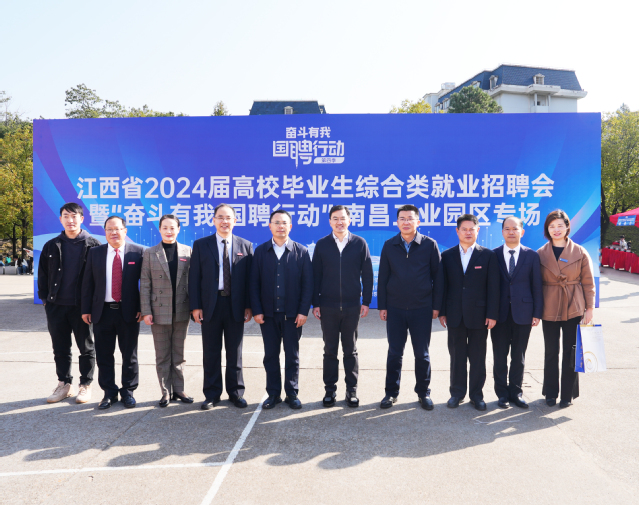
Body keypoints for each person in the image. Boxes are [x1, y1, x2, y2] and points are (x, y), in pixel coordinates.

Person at [189, 204, 253, 410]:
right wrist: (195, 306)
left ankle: (236, 393)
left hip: (236, 305)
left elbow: (250, 280)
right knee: (211, 352)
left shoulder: (245, 245)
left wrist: (248, 306)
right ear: (214, 220)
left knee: (235, 352)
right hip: (210, 305)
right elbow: (194, 278)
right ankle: (212, 394)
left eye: (228, 218)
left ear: (235, 221)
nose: (224, 221)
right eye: (220, 217)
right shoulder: (201, 245)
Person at [377, 204, 441, 410]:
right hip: (395, 308)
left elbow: (438, 278)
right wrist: (383, 306)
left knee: (422, 354)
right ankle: (390, 393)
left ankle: (423, 393)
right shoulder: (389, 245)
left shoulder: (429, 245)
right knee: (395, 353)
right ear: (397, 222)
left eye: (410, 218)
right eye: (402, 219)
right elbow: (383, 277)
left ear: (418, 222)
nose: (406, 222)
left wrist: (436, 306)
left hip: (421, 308)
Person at [435, 214, 500, 411]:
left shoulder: (488, 255)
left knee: (478, 357)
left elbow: (493, 288)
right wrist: (442, 312)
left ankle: (476, 395)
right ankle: (456, 393)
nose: (468, 232)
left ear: (478, 231)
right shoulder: (447, 256)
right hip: (454, 314)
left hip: (479, 316)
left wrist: (492, 314)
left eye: (472, 229)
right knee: (457, 357)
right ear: (457, 231)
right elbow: (442, 286)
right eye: (464, 229)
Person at [38, 203, 101, 404]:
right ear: (60, 219)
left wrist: (93, 305)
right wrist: (46, 300)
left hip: (82, 307)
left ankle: (85, 385)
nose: (70, 220)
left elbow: (99, 279)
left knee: (86, 348)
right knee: (60, 348)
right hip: (56, 306)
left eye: (74, 216)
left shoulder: (94, 245)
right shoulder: (51, 245)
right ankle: (64, 384)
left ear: (82, 219)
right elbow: (43, 275)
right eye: (66, 216)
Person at [250, 209, 313, 410]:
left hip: (292, 315)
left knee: (292, 356)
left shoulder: (301, 251)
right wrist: (257, 310)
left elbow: (308, 285)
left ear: (290, 226)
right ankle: (273, 394)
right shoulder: (261, 252)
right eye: (276, 222)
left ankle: (292, 393)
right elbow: (254, 283)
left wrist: (303, 311)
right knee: (270, 355)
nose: (280, 226)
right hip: (268, 315)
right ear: (270, 226)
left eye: (284, 223)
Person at [312, 205, 374, 408]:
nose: (339, 222)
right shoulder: (322, 244)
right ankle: (330, 390)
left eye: (343, 218)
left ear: (349, 220)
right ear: (330, 221)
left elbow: (367, 274)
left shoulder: (359, 243)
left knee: (350, 350)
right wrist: (316, 303)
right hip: (328, 306)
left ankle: (351, 390)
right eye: (335, 218)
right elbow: (315, 275)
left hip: (351, 306)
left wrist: (366, 302)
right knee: (330, 350)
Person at [81, 216, 143, 410]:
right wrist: (86, 309)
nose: (113, 233)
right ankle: (109, 392)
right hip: (102, 312)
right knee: (104, 355)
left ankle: (128, 392)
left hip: (129, 312)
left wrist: (143, 307)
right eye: (109, 229)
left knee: (129, 355)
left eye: (117, 229)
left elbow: (146, 284)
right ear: (105, 232)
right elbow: (87, 283)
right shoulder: (95, 253)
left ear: (125, 231)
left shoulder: (138, 252)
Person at [538, 210, 595, 409]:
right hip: (549, 305)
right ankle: (550, 392)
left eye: (560, 226)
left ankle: (568, 394)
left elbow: (588, 283)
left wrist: (589, 308)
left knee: (571, 351)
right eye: (552, 226)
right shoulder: (540, 253)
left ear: (567, 227)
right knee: (551, 351)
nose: (556, 230)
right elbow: (535, 284)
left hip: (574, 306)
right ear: (547, 229)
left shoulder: (579, 252)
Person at [141, 214, 193, 408]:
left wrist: (194, 307)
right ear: (160, 229)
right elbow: (145, 284)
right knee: (162, 355)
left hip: (181, 309)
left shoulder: (187, 251)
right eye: (165, 227)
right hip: (158, 311)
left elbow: (192, 282)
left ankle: (179, 389)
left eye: (172, 228)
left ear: (178, 229)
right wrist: (146, 311)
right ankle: (165, 392)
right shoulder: (150, 253)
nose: (169, 231)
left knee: (179, 353)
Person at [490, 217, 543, 409]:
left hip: (524, 313)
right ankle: (502, 394)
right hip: (499, 315)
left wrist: (537, 312)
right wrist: (489, 313)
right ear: (502, 232)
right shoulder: (493, 255)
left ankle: (516, 392)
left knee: (518, 356)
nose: (511, 232)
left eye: (515, 228)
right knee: (499, 356)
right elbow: (490, 287)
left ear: (522, 231)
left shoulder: (532, 256)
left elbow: (537, 285)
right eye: (507, 229)